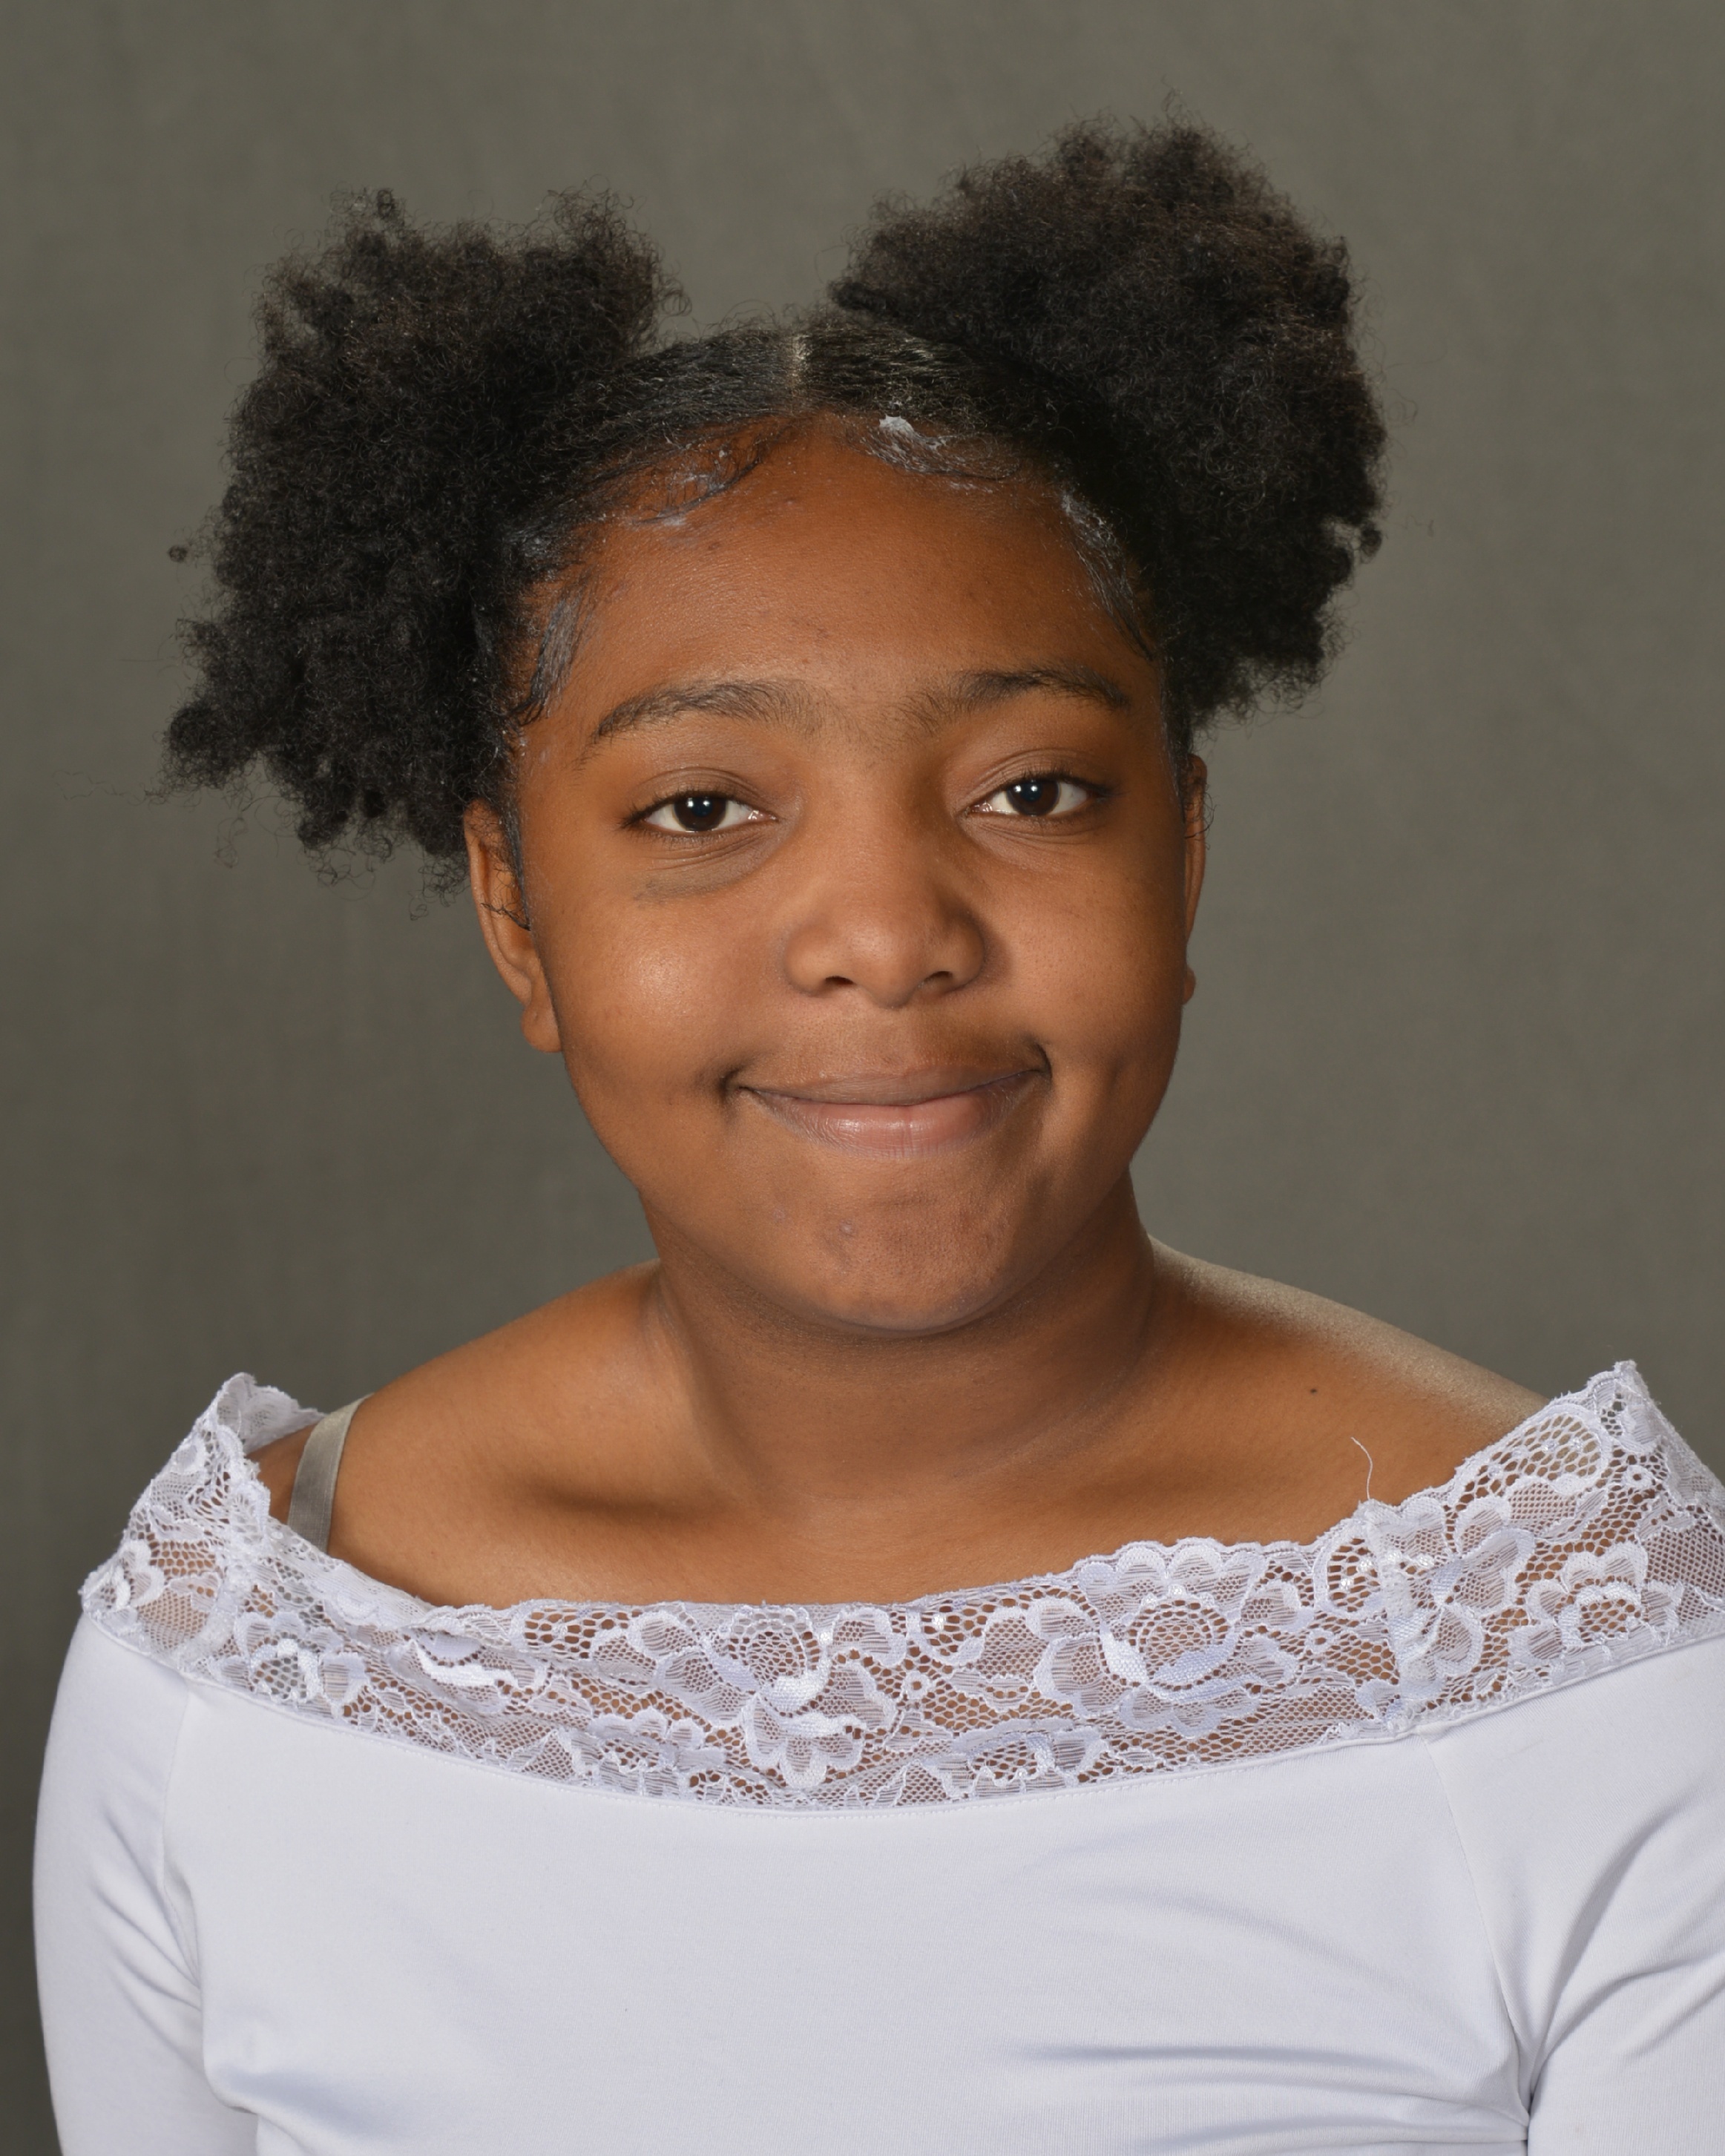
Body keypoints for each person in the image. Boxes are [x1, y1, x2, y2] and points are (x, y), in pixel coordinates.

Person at [33, 122, 1725, 2154]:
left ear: (1184, 854)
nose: (887, 933)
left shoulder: (1586, 1668)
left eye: (1031, 791)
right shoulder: (245, 1666)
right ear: (515, 911)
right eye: (700, 809)